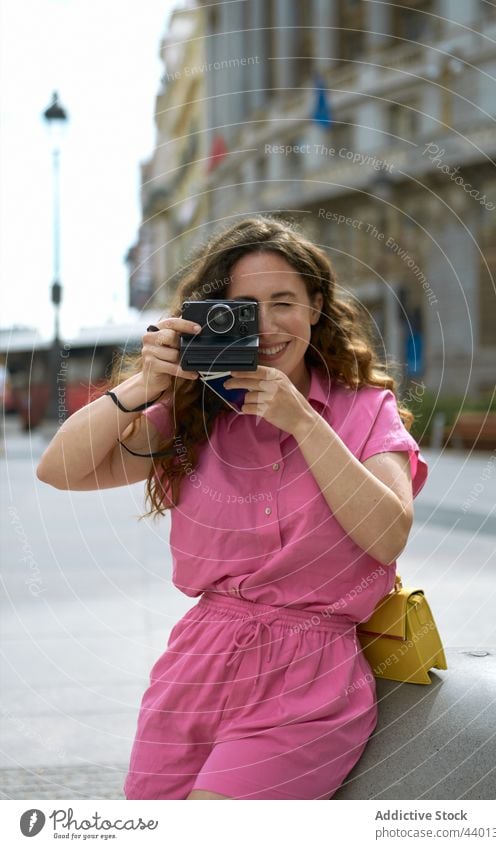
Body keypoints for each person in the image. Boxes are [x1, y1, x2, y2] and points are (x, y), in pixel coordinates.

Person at [36, 216, 428, 800]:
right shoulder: (196, 414)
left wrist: (303, 421)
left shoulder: (366, 409)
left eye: (284, 302)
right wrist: (145, 385)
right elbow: (59, 470)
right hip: (195, 667)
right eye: (245, 306)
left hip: (308, 680)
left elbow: (387, 534)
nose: (267, 326)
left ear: (316, 306)